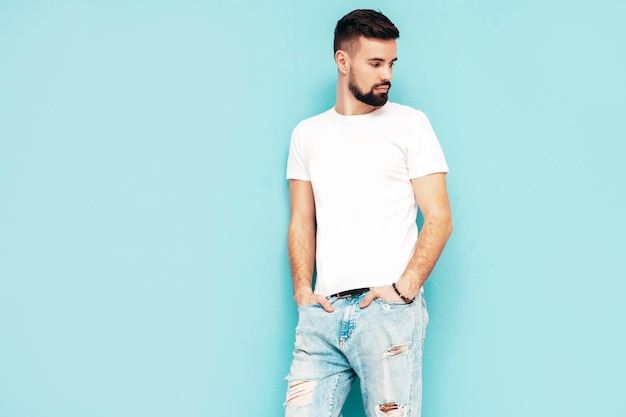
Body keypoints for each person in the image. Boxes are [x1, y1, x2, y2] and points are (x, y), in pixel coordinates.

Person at [284, 9, 452, 417]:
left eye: (391, 63)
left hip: (387, 313)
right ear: (343, 62)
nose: (386, 74)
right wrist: (303, 292)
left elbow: (440, 216)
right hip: (321, 316)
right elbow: (302, 221)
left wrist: (403, 290)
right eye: (375, 63)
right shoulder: (307, 134)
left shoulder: (411, 125)